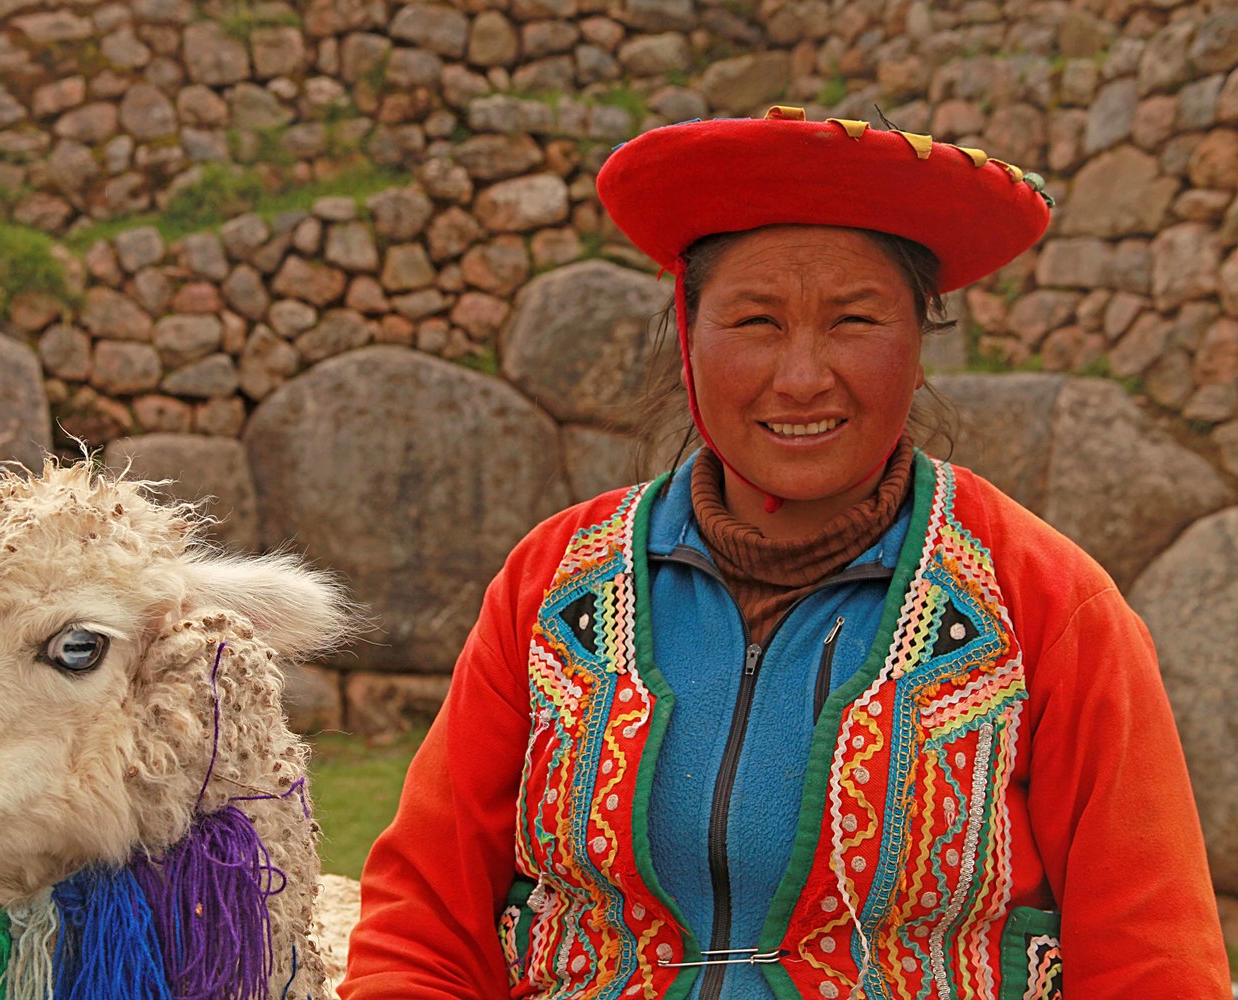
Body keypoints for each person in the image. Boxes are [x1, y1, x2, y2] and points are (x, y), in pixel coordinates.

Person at [339, 109, 1230, 999]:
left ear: (918, 343)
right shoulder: (553, 585)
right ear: (689, 337)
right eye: (757, 321)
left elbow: (1154, 963)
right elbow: (423, 927)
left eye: (854, 320)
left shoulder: (1045, 604)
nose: (802, 377)